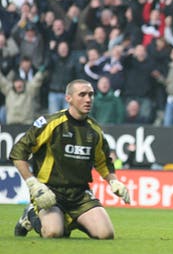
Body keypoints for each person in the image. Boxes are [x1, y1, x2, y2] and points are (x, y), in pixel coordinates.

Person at [11, 79, 130, 239]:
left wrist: (114, 181)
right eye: (82, 95)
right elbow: (19, 153)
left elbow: (103, 162)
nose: (88, 99)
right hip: (50, 192)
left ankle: (70, 220)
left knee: (106, 234)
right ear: (69, 98)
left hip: (80, 194)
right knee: (54, 233)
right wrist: (33, 184)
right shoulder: (50, 123)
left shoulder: (94, 130)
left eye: (91, 95)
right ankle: (31, 214)